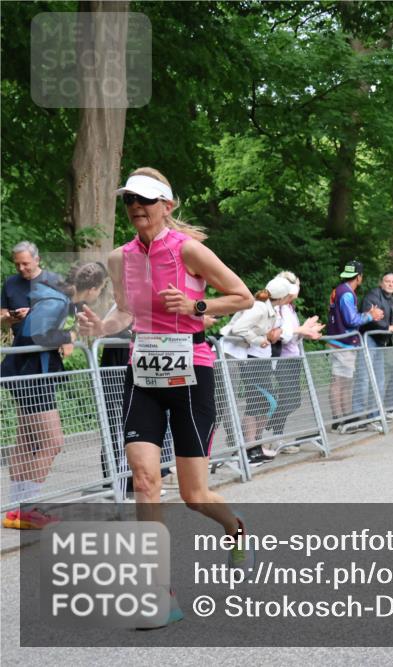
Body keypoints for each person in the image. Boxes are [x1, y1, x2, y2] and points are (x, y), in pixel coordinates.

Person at [76, 167, 256, 628]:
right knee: (144, 478)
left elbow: (243, 296)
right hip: (143, 370)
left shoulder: (189, 250)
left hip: (191, 371)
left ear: (167, 205)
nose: (137, 206)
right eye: (130, 200)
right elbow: (124, 312)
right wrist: (103, 327)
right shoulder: (119, 258)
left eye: (147, 199)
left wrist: (198, 306)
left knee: (194, 494)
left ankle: (235, 527)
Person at [2, 259, 106, 528]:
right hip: (33, 375)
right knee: (53, 441)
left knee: (26, 442)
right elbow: (37, 336)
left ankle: (17, 510)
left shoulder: (57, 298)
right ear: (93, 287)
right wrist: (67, 339)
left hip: (25, 373)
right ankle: (29, 508)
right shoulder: (57, 301)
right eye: (101, 289)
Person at [220, 277, 290, 464]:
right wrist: (259, 340)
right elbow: (238, 328)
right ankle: (242, 448)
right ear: (282, 298)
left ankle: (249, 447)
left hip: (238, 356)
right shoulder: (259, 307)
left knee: (250, 403)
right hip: (229, 355)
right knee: (227, 405)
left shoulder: (266, 307)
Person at [266, 271, 324, 454]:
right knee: (288, 399)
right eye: (296, 285)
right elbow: (279, 334)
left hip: (293, 357)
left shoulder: (289, 307)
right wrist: (303, 329)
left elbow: (292, 334)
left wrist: (307, 331)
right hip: (281, 359)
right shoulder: (277, 306)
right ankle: (272, 434)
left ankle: (275, 435)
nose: (298, 288)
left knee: (292, 399)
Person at [327, 260, 384, 428]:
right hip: (342, 342)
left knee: (345, 381)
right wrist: (370, 316)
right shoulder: (346, 293)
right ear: (359, 277)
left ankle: (346, 416)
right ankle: (338, 419)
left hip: (341, 341)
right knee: (339, 380)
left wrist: (366, 314)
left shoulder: (340, 290)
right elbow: (351, 320)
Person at [361, 272, 393, 421]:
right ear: (381, 283)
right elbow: (369, 317)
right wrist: (386, 327)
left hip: (380, 342)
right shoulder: (373, 296)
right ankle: (357, 417)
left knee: (379, 379)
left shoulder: (391, 300)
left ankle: (374, 415)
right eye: (387, 281)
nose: (390, 284)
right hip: (369, 339)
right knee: (364, 379)